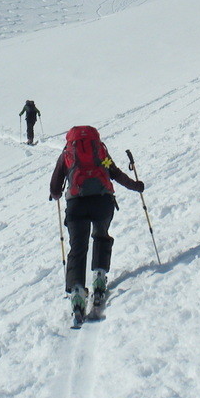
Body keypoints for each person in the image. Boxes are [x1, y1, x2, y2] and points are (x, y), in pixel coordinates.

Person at [49, 125, 144, 320]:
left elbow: (55, 187)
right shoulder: (100, 151)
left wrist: (56, 194)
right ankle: (99, 277)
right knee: (101, 235)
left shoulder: (67, 153)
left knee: (78, 248)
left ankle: (76, 292)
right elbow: (114, 172)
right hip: (102, 202)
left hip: (76, 206)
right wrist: (136, 186)